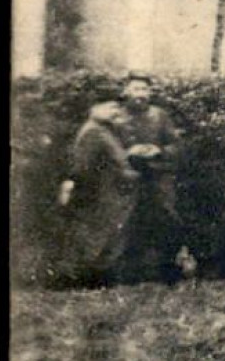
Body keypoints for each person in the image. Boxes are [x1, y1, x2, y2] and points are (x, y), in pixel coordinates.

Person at [56, 101, 138, 287]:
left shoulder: (105, 130)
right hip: (100, 194)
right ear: (93, 109)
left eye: (116, 108)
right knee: (95, 236)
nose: (114, 111)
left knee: (105, 235)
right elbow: (83, 166)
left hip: (111, 192)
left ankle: (94, 277)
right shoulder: (93, 131)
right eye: (108, 107)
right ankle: (80, 279)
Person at [116, 72, 184, 281]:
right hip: (128, 175)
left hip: (157, 174)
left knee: (166, 217)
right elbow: (107, 146)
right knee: (128, 220)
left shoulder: (160, 115)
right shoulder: (117, 116)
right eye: (136, 89)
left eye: (145, 89)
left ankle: (167, 268)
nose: (141, 94)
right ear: (126, 91)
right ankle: (129, 271)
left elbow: (176, 145)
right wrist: (129, 151)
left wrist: (158, 150)